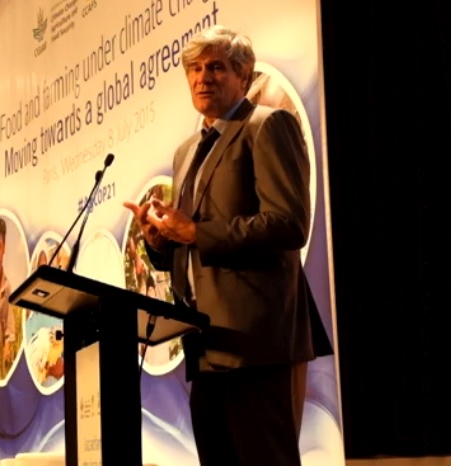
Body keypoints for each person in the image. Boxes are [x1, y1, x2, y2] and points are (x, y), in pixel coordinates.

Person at [124, 25, 332, 466]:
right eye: (195, 69)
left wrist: (196, 233)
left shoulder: (267, 125)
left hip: (257, 341)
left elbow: (288, 224)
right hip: (205, 343)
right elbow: (191, 243)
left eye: (217, 67)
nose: (203, 78)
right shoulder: (186, 152)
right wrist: (160, 242)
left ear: (244, 75)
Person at [0, 218, 15, 375]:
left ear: (4, 248)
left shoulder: (7, 287)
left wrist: (6, 351)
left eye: (2, 246)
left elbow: (10, 330)